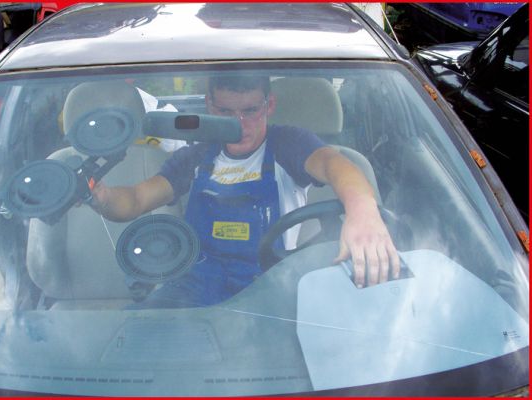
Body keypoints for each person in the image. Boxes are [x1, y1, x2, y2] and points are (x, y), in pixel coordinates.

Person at [90, 75, 400, 307]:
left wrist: (362, 212)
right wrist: (102, 196)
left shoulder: (288, 144)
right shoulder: (196, 155)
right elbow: (136, 200)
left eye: (250, 111)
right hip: (192, 290)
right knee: (141, 332)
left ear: (269, 105)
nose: (240, 124)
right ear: (210, 105)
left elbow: (334, 165)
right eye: (225, 112)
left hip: (269, 288)